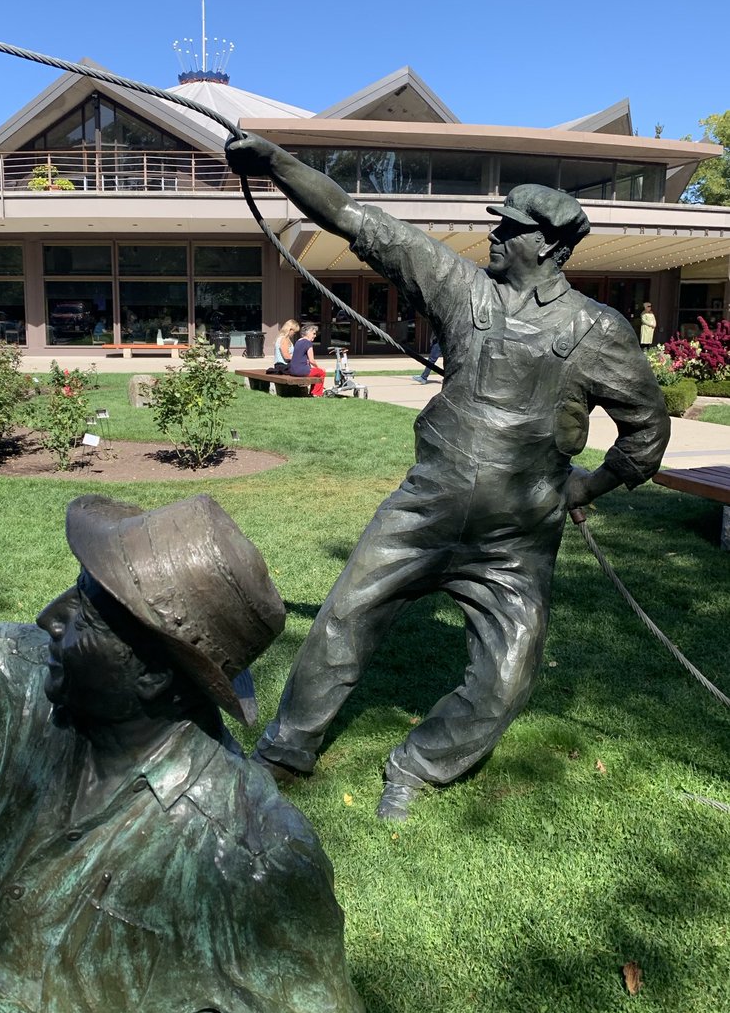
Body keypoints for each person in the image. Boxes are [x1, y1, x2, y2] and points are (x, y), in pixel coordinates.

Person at [0, 494, 374, 1013]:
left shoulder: (248, 863)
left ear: (155, 678)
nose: (49, 617)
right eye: (77, 588)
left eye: (87, 615)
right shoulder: (8, 675)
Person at [226, 133, 670, 821]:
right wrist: (278, 164)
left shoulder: (597, 331)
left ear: (549, 245)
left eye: (510, 229)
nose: (494, 236)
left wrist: (588, 486)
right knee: (344, 618)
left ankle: (418, 765)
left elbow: (647, 432)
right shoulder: (461, 288)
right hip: (423, 511)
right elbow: (353, 217)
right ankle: (287, 750)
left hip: (515, 544)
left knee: (508, 677)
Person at [289, 322, 326, 396]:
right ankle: (316, 393)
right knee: (321, 372)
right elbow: (312, 360)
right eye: (314, 333)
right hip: (301, 371)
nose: (315, 336)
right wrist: (319, 368)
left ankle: (313, 392)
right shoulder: (308, 343)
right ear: (308, 333)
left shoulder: (298, 341)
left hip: (292, 370)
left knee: (316, 372)